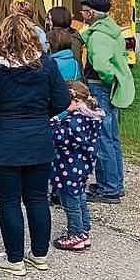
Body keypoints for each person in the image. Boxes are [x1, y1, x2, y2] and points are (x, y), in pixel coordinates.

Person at [0, 14, 70, 276]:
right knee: (37, 199)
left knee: (8, 202)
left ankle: (14, 259)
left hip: (4, 141)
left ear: (3, 37)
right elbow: (62, 101)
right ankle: (39, 255)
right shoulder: (46, 66)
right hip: (38, 140)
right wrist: (40, 114)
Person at [79, 0, 135, 204]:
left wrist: (106, 79)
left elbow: (102, 65)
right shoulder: (112, 30)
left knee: (102, 138)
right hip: (110, 87)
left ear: (91, 14)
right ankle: (115, 183)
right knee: (112, 137)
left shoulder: (98, 36)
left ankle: (108, 189)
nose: (82, 14)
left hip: (99, 86)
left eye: (84, 11)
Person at [51, 80, 104, 252]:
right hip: (82, 167)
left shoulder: (75, 121)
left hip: (68, 168)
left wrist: (54, 121)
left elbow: (61, 138)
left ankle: (75, 235)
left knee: (70, 203)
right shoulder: (91, 117)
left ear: (73, 100)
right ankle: (84, 231)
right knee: (80, 198)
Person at [45, 6, 85, 73]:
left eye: (49, 19)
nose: (47, 22)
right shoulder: (53, 36)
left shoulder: (73, 39)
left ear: (57, 19)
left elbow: (73, 66)